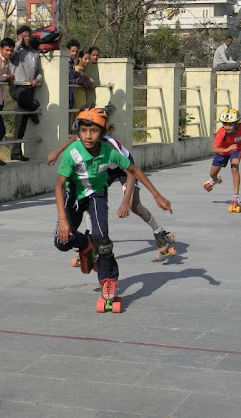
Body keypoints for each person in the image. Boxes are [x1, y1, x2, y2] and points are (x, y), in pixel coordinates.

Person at [54, 107, 172, 303]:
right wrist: (63, 220)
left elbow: (134, 171)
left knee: (104, 241)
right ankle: (86, 245)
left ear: (103, 133)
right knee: (62, 242)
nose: (88, 136)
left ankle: (108, 279)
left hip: (97, 196)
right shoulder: (72, 153)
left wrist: (157, 196)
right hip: (73, 196)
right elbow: (58, 186)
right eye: (84, 131)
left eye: (93, 131)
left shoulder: (110, 152)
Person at [47, 129, 175, 261]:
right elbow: (74, 138)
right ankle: (93, 242)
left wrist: (125, 202)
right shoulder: (85, 139)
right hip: (104, 168)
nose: (87, 138)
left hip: (123, 169)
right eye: (83, 132)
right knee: (89, 197)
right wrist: (57, 152)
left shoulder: (110, 147)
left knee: (134, 204)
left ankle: (158, 232)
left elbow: (131, 173)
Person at [9, 24, 43, 161]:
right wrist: (19, 42)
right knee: (32, 105)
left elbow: (39, 71)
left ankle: (16, 152)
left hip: (30, 88)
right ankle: (33, 110)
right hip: (17, 88)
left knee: (21, 121)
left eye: (29, 35)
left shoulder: (35, 53)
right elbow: (11, 55)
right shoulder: (16, 51)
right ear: (18, 37)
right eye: (24, 36)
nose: (27, 38)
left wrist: (37, 79)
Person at [66, 38, 81, 112]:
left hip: (71, 96)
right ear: (67, 50)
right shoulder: (65, 63)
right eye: (72, 51)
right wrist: (78, 81)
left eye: (76, 52)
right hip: (65, 96)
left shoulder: (72, 63)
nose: (74, 53)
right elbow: (66, 80)